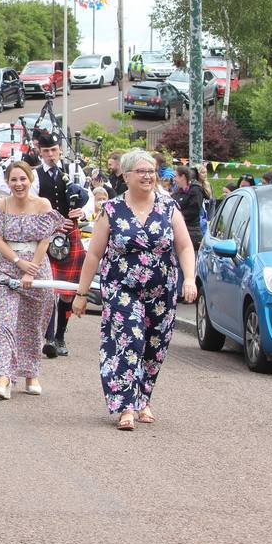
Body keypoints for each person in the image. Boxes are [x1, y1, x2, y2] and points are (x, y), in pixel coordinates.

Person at [72, 149, 197, 431]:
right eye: (141, 171)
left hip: (161, 291)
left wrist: (189, 278)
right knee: (131, 339)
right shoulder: (112, 210)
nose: (147, 176)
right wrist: (81, 295)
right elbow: (94, 255)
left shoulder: (168, 207)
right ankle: (125, 405)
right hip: (121, 287)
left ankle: (144, 398)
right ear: (126, 176)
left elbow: (185, 246)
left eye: (151, 171)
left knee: (155, 346)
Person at [0, 132, 92, 358]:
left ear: (60, 150)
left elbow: (90, 200)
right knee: (46, 289)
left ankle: (60, 336)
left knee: (67, 290)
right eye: (46, 151)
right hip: (45, 236)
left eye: (54, 150)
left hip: (71, 233)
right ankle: (47, 338)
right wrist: (55, 222)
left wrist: (82, 212)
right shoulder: (34, 176)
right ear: (40, 152)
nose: (50, 155)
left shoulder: (75, 171)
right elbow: (34, 205)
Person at [0, 161, 64, 399]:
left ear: (31, 180)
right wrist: (17, 262)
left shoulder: (42, 204)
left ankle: (30, 374)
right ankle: (4, 378)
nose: (19, 184)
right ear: (7, 183)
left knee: (32, 325)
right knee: (7, 324)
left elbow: (45, 241)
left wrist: (30, 270)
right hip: (8, 268)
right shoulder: (1, 204)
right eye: (14, 180)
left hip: (37, 270)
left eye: (23, 179)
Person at [173, 166, 205, 251]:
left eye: (175, 176)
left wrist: (177, 217)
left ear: (182, 176)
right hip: (178, 231)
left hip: (192, 232)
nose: (174, 179)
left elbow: (193, 211)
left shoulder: (196, 190)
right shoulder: (177, 192)